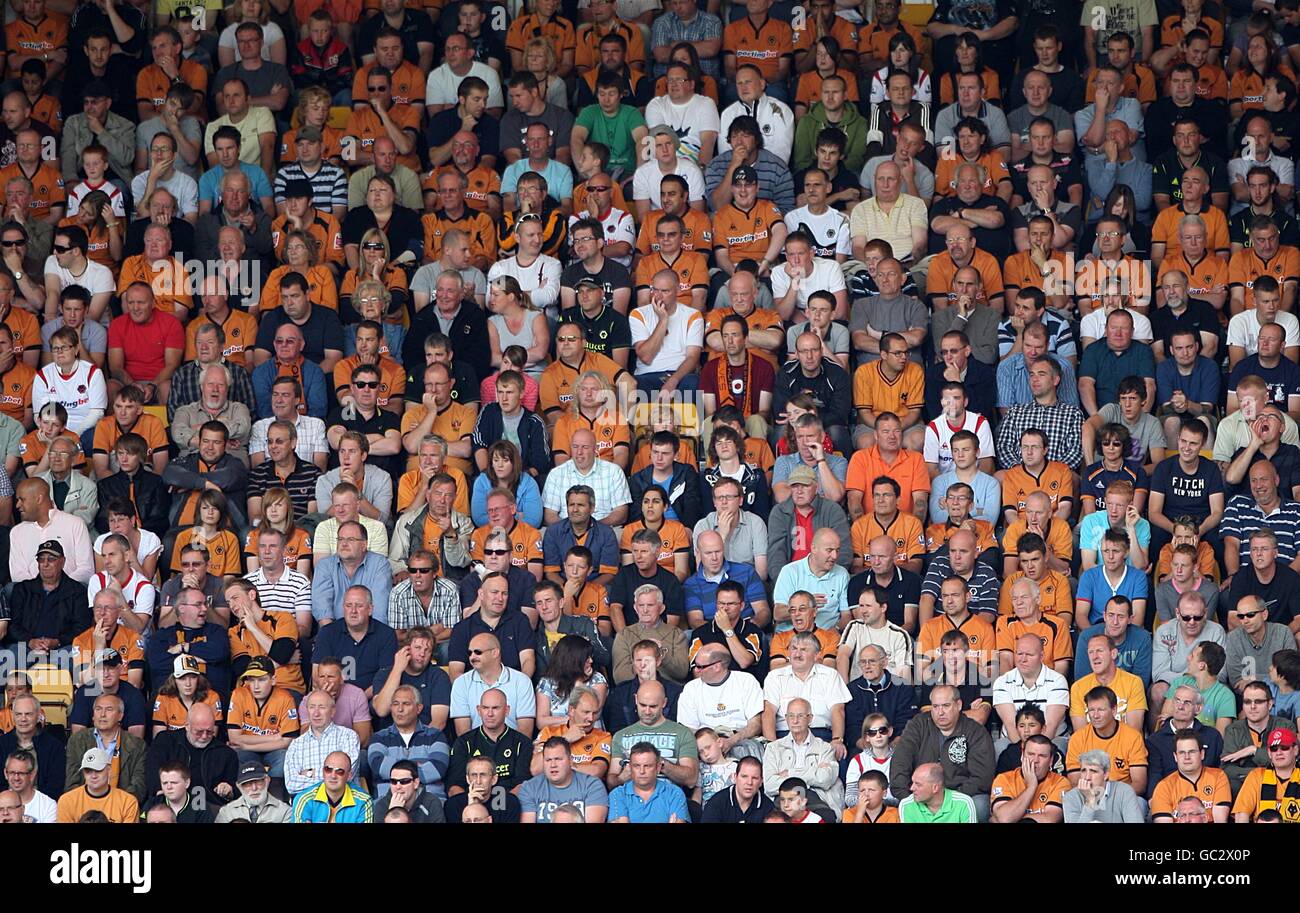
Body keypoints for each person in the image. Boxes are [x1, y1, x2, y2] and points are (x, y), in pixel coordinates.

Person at [517, 737, 609, 823]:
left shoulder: (592, 786)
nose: (553, 765)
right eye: (548, 760)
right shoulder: (530, 788)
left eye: (558, 759)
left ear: (570, 760)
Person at [1232, 726, 1300, 822]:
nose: (1279, 753)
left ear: (1295, 750)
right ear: (1269, 753)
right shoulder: (1256, 776)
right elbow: (1241, 814)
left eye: (1284, 748)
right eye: (1274, 749)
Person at [1061, 749, 1147, 822]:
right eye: (1083, 771)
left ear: (1106, 774)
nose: (1087, 777)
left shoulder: (1124, 791)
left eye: (1093, 771)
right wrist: (1090, 802)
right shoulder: (1071, 797)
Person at [56, 748, 139, 823]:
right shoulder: (67, 801)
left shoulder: (128, 802)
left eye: (98, 770)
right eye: (88, 771)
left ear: (109, 770)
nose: (93, 776)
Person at [290, 749, 374, 822]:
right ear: (323, 772)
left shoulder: (364, 801)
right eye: (328, 770)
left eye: (339, 771)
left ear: (349, 776)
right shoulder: (304, 799)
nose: (333, 776)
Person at [214, 760, 293, 823]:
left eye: (258, 782)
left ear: (267, 781)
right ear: (239, 786)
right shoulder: (227, 812)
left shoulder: (285, 812)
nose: (254, 788)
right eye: (247, 784)